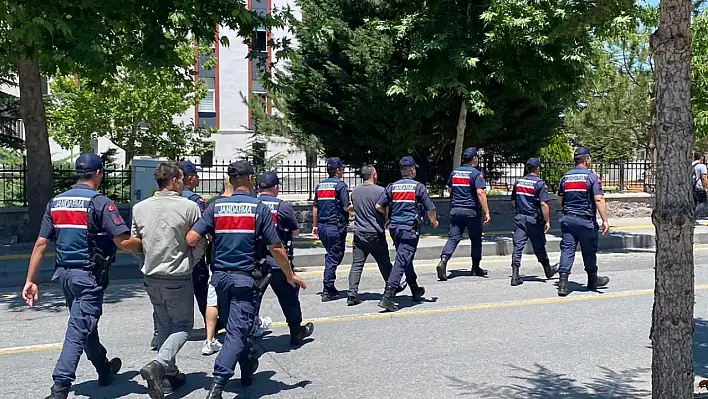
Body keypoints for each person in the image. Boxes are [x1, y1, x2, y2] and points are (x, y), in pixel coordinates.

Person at [22, 153, 143, 399]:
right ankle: (60, 386)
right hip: (88, 277)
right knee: (78, 330)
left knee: (84, 323)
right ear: (98, 174)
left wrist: (30, 280)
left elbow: (40, 243)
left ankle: (103, 367)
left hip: (65, 276)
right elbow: (123, 242)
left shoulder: (56, 202)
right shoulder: (100, 203)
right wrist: (144, 243)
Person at [186, 160, 307, 398]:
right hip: (244, 279)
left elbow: (191, 238)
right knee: (235, 332)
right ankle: (219, 382)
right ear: (250, 179)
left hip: (219, 278)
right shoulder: (258, 208)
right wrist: (289, 274)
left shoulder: (215, 207)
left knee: (235, 326)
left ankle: (247, 370)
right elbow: (276, 247)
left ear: (230, 180)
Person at [131, 162, 206, 399]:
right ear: (174, 180)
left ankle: (169, 373)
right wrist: (189, 262)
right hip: (178, 274)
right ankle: (159, 364)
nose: (184, 183)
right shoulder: (189, 207)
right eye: (182, 179)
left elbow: (136, 242)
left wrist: (145, 262)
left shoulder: (140, 208)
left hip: (151, 274)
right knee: (183, 326)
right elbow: (199, 241)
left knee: (164, 324)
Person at [205, 176, 272, 350]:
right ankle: (234, 355)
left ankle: (211, 339)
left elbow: (194, 237)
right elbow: (274, 244)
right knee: (241, 312)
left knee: (215, 302)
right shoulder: (253, 206)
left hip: (218, 266)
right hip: (244, 269)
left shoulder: (214, 205)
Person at [257, 171, 315, 344]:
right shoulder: (283, 206)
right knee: (289, 297)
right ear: (275, 188)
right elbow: (295, 231)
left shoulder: (253, 204)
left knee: (252, 300)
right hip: (278, 261)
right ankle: (296, 331)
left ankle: (246, 333)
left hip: (257, 261)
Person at [376, 156, 438, 312]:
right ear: (411, 170)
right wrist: (434, 222)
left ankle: (415, 288)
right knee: (402, 259)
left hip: (395, 228)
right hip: (409, 228)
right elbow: (430, 208)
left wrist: (387, 218)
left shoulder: (392, 187)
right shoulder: (418, 187)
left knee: (405, 258)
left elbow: (378, 205)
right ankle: (388, 296)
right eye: (414, 168)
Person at [556, 147, 610, 296]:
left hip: (568, 219)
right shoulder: (591, 176)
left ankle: (562, 284)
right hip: (585, 221)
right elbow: (599, 199)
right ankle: (592, 281)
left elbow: (559, 197)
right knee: (589, 250)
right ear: (586, 160)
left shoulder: (566, 177)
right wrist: (605, 220)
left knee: (567, 250)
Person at [347, 165, 401, 306]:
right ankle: (392, 287)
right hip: (375, 232)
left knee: (357, 265)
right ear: (373, 174)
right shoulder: (381, 191)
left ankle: (352, 294)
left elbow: (352, 207)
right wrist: (386, 219)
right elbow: (385, 208)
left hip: (359, 233)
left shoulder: (355, 192)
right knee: (384, 263)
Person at [436, 147, 491, 281]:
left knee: (453, 238)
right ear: (474, 159)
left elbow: (449, 189)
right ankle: (475, 267)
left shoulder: (455, 172)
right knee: (476, 238)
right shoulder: (475, 173)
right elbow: (480, 192)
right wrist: (487, 212)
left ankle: (443, 260)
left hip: (455, 210)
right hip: (471, 211)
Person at [509, 158, 557, 286]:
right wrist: (547, 221)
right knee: (539, 246)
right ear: (537, 168)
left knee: (518, 246)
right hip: (533, 219)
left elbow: (513, 201)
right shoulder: (539, 184)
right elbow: (543, 204)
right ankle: (548, 270)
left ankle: (515, 275)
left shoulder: (518, 182)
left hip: (520, 218)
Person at [312, 157, 351, 301]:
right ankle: (328, 289)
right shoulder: (340, 186)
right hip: (335, 226)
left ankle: (330, 286)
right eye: (342, 169)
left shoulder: (320, 186)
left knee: (331, 254)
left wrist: (314, 226)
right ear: (338, 170)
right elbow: (347, 207)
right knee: (335, 255)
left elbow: (315, 207)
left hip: (322, 226)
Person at [693, 153, 708, 218]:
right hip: (698, 187)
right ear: (701, 157)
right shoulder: (702, 166)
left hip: (691, 187)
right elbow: (704, 177)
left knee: (694, 203)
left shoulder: (691, 164)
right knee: (703, 202)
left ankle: (693, 216)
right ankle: (698, 216)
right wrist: (706, 187)